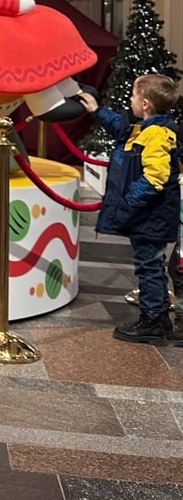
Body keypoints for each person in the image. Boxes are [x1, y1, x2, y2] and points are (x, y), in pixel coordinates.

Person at [79, 75, 181, 344]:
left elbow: (155, 177)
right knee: (150, 265)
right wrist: (97, 110)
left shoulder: (157, 134)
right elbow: (121, 127)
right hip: (148, 217)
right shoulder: (145, 127)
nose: (130, 100)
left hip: (151, 217)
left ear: (145, 103)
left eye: (134, 96)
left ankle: (152, 320)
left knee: (149, 267)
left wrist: (128, 203)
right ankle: (158, 316)